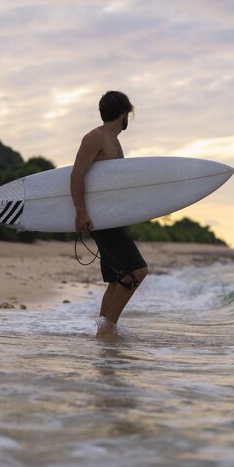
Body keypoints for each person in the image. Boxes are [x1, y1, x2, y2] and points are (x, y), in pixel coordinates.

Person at [70, 91, 148, 338]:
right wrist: (81, 212)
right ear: (123, 113)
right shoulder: (95, 137)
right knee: (137, 270)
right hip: (100, 218)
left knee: (117, 278)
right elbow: (77, 174)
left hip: (112, 217)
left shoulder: (113, 140)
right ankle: (108, 329)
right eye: (129, 113)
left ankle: (102, 331)